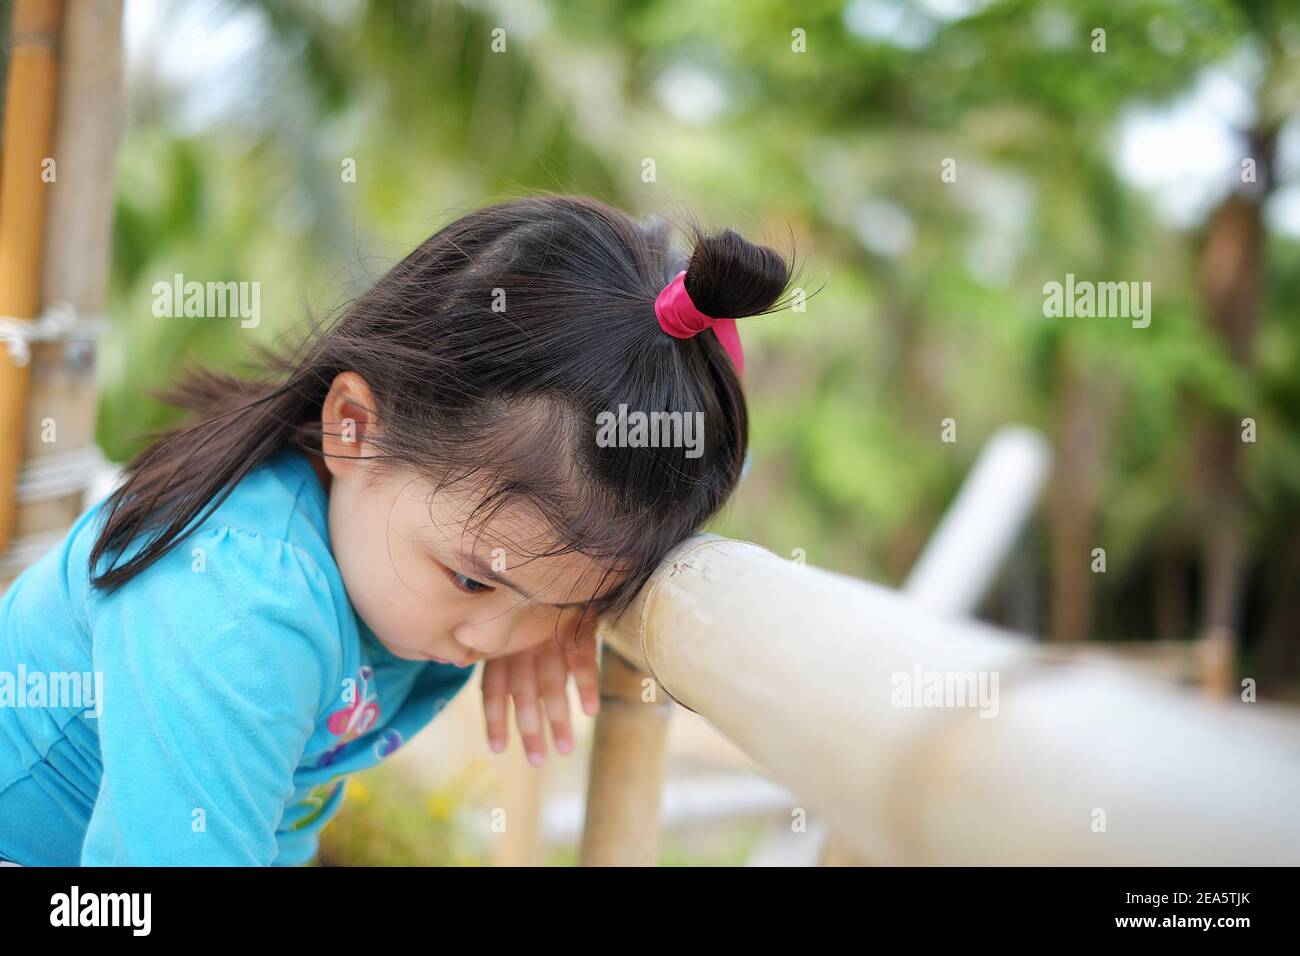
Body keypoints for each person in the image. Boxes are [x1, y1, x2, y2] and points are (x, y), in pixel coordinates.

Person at [0, 194, 796, 865]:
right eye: (474, 579)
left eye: (569, 604)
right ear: (353, 427)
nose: (490, 640)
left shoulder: (411, 552)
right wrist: (536, 590)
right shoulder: (237, 615)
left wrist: (550, 604)